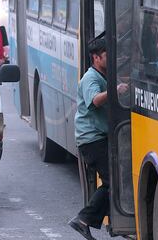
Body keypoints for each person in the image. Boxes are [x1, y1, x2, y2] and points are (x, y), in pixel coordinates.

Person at [68, 38, 128, 240]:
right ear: (96, 58)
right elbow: (94, 100)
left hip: (100, 137)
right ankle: (83, 219)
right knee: (113, 181)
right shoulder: (90, 78)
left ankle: (98, 219)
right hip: (92, 140)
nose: (112, 59)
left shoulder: (104, 75)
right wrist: (115, 90)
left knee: (116, 179)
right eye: (107, 55)